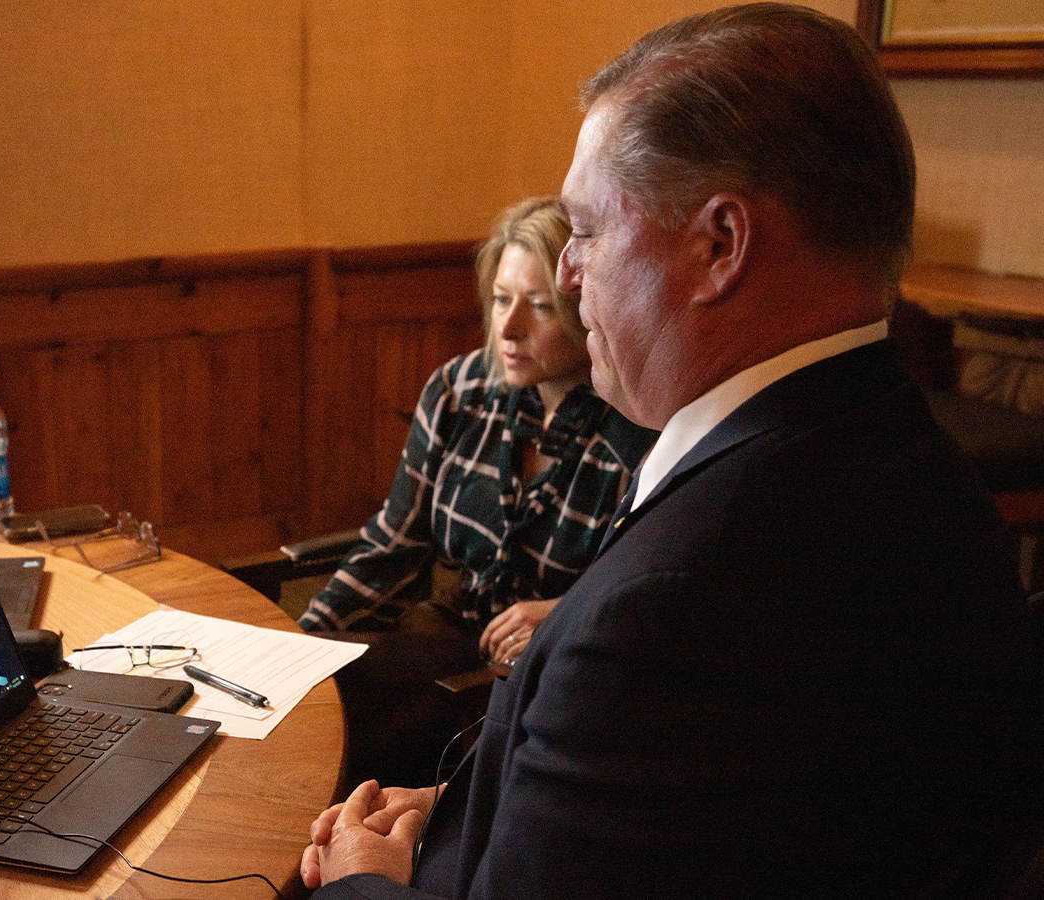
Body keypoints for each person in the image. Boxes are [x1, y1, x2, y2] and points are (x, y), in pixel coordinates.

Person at [301, 5, 1044, 898]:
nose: (566, 274)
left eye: (586, 229)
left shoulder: (673, 611)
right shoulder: (913, 464)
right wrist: (465, 813)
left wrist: (360, 880)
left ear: (719, 245)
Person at [298, 196, 655, 786]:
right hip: (450, 637)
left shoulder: (636, 429)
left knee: (351, 729)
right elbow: (392, 545)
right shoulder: (460, 390)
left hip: (555, 683)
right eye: (500, 299)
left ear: (587, 307)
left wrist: (564, 613)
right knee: (318, 688)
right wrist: (299, 644)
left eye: (540, 307)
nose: (509, 329)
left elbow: (644, 601)